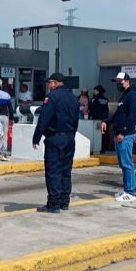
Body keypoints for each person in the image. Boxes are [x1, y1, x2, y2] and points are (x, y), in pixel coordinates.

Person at [33, 73, 80, 212]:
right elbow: (76, 120)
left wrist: (36, 137)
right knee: (66, 171)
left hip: (55, 138)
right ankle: (64, 201)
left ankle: (53, 203)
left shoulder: (52, 97)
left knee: (53, 171)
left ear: (54, 83)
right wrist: (71, 135)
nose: (49, 85)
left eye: (50, 82)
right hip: (69, 138)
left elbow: (44, 118)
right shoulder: (73, 97)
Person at [100, 72, 136, 202]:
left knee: (127, 164)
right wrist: (106, 121)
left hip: (125, 134)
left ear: (127, 81)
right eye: (117, 82)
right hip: (120, 133)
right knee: (123, 164)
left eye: (120, 82)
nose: (118, 84)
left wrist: (123, 131)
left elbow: (132, 117)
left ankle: (130, 192)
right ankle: (127, 189)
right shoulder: (125, 95)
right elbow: (118, 114)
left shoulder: (132, 95)